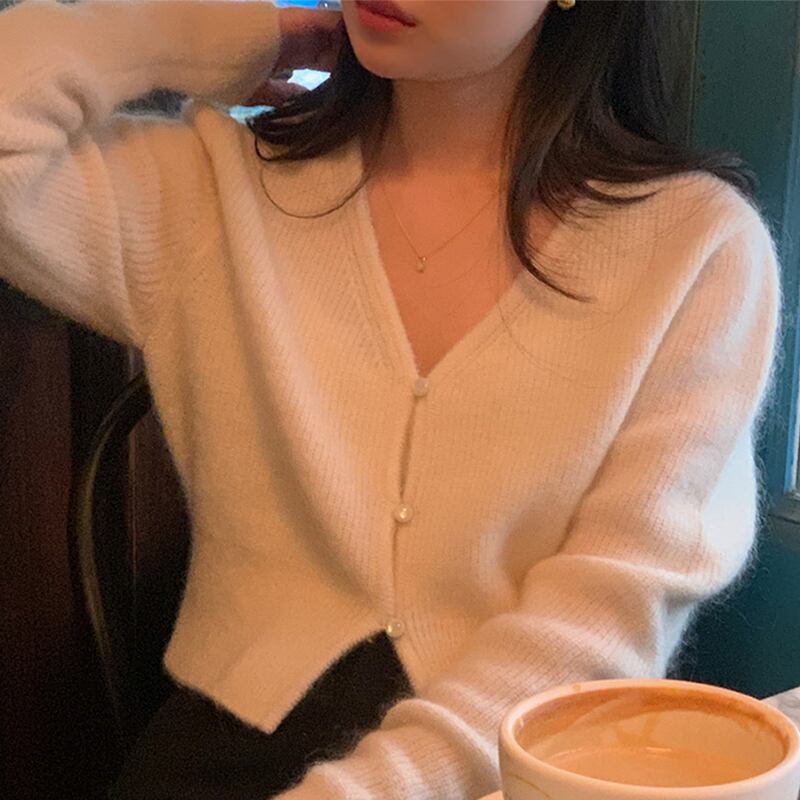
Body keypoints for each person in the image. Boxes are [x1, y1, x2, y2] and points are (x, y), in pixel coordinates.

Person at [0, 1, 783, 798]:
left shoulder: (696, 254)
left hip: (506, 770)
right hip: (218, 764)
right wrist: (192, 36)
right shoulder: (211, 193)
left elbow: (609, 615)